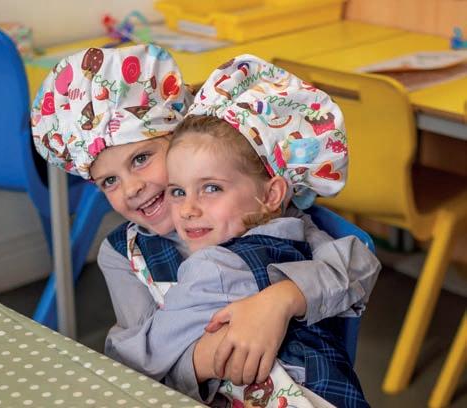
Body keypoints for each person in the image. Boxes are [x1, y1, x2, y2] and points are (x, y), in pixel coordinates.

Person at [31, 46, 380, 404]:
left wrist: (281, 301)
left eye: (141, 159)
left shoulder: (261, 213)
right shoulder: (122, 254)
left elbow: (358, 264)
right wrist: (208, 358)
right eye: (109, 181)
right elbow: (141, 364)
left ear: (179, 139)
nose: (131, 188)